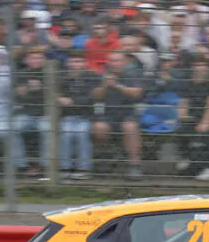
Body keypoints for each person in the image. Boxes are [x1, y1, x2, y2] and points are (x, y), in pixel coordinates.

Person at [91, 49, 145, 180]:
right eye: (112, 60)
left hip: (128, 113)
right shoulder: (102, 76)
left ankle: (134, 165)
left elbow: (137, 93)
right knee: (99, 127)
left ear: (124, 61)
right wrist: (104, 86)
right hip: (107, 114)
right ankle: (105, 156)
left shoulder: (133, 75)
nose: (115, 63)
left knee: (130, 127)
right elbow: (95, 96)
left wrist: (117, 86)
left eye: (118, 60)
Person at [178, 56, 209, 179]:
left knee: (208, 133)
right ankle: (187, 158)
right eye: (197, 65)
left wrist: (205, 122)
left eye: (203, 65)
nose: (200, 68)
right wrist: (183, 116)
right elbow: (183, 102)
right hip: (193, 116)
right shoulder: (188, 83)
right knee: (181, 130)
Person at [57, 53, 99, 181]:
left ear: (85, 63)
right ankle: (65, 168)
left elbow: (92, 98)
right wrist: (58, 98)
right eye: (73, 61)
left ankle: (83, 168)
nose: (76, 65)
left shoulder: (93, 77)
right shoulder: (61, 77)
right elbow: (54, 93)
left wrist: (71, 101)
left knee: (82, 133)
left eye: (79, 61)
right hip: (66, 116)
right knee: (66, 133)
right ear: (68, 63)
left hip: (86, 116)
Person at [12, 49, 50, 179]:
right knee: (13, 128)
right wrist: (26, 91)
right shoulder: (21, 74)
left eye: (39, 58)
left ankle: (45, 166)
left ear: (44, 60)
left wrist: (42, 89)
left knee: (47, 130)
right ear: (27, 60)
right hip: (26, 112)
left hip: (46, 113)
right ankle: (20, 165)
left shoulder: (51, 73)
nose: (36, 61)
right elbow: (18, 96)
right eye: (33, 58)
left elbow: (54, 97)